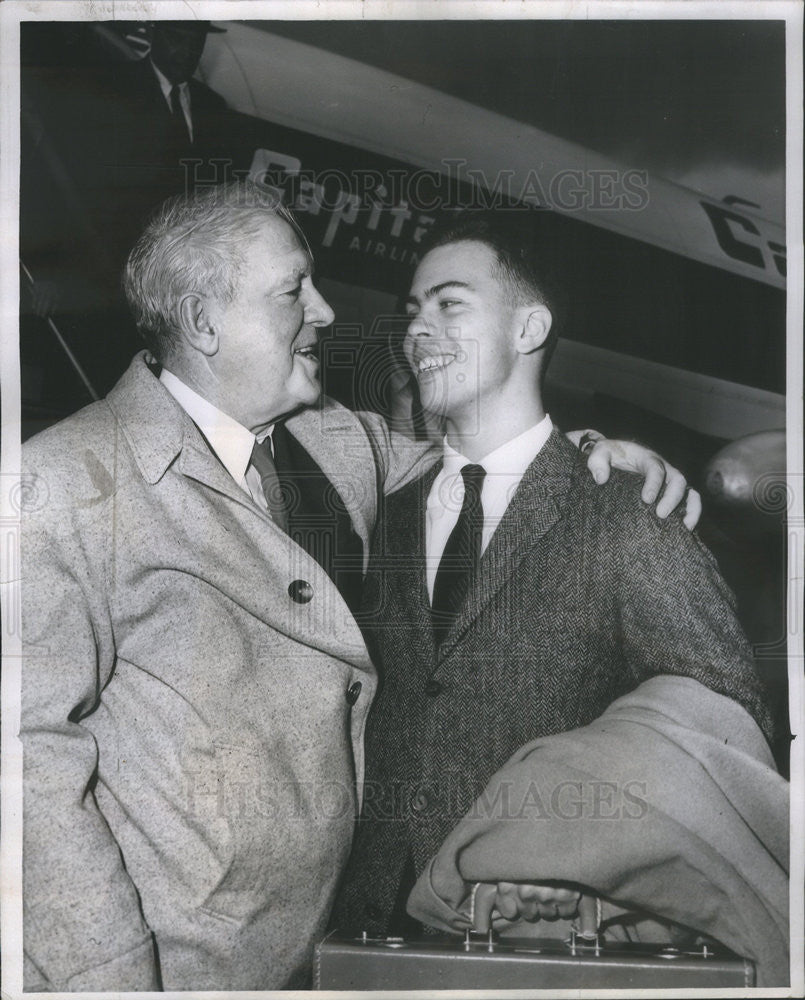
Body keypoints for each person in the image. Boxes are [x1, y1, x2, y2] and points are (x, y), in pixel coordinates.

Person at [20, 182, 695, 992]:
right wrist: (108, 979)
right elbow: (23, 769)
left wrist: (593, 452)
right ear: (202, 322)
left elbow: (482, 470)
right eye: (293, 290)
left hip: (337, 946)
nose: (327, 311)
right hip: (182, 968)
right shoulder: (58, 485)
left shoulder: (339, 440)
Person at [330, 211, 780, 954]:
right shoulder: (383, 515)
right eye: (412, 309)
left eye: (450, 303)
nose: (417, 328)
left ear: (527, 328)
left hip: (543, 938)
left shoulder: (627, 513)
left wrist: (587, 849)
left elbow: (725, 728)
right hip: (369, 928)